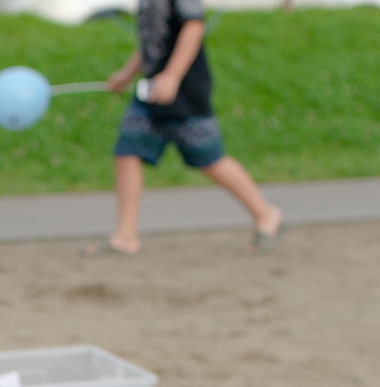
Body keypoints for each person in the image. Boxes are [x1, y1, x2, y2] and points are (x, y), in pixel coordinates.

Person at [101, 0, 283, 255]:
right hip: (153, 90)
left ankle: (266, 214)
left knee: (209, 158)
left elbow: (194, 27)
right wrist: (127, 74)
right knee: (127, 151)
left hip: (184, 92)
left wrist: (173, 75)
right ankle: (125, 236)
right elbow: (153, 42)